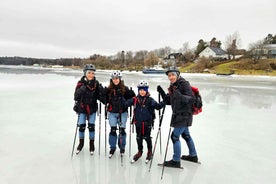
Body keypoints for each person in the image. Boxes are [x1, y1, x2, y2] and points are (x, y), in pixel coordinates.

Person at [157, 67, 198, 168]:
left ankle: (176, 160)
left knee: (174, 136)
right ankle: (193, 156)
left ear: (177, 75)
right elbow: (169, 101)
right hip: (179, 115)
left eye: (172, 75)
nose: (171, 77)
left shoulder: (184, 84)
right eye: (169, 75)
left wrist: (179, 96)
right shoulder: (173, 86)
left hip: (184, 115)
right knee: (186, 135)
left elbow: (191, 99)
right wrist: (162, 92)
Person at [125, 80, 165, 164]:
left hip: (147, 123)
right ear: (138, 90)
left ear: (147, 90)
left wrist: (164, 100)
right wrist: (126, 95)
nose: (142, 91)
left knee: (147, 138)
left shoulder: (150, 100)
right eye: (140, 90)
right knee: (138, 138)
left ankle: (149, 152)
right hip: (137, 123)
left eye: (144, 90)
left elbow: (158, 107)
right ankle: (140, 152)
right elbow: (125, 104)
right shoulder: (135, 99)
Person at [102, 71, 135, 158]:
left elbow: (132, 100)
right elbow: (104, 101)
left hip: (122, 113)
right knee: (113, 131)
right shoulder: (109, 89)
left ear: (120, 79)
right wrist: (103, 94)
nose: (115, 80)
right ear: (111, 79)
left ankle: (122, 147)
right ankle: (112, 148)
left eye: (117, 78)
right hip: (112, 113)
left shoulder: (125, 89)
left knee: (122, 131)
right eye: (113, 79)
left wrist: (129, 98)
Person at [73, 64, 103, 155]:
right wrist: (82, 89)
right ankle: (81, 144)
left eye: (92, 73)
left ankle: (91, 145)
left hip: (92, 108)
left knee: (91, 127)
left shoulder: (96, 84)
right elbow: (76, 97)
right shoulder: (80, 83)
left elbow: (100, 97)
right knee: (81, 127)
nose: (91, 75)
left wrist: (102, 92)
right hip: (82, 108)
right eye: (89, 73)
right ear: (85, 73)